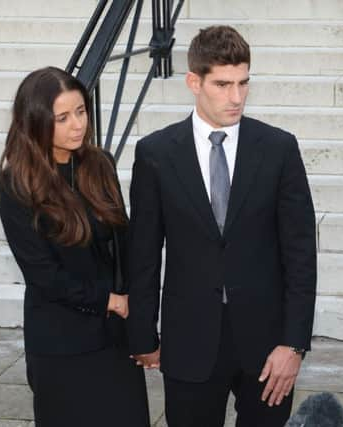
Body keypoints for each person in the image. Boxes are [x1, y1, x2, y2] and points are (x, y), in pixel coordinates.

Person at [126, 25, 317, 427]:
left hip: (268, 347)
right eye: (223, 84)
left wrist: (294, 344)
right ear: (193, 82)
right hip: (189, 340)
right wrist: (143, 333)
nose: (236, 97)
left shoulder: (279, 149)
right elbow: (143, 252)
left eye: (244, 83)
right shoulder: (156, 154)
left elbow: (301, 254)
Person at [0, 67, 150, 427]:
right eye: (62, 117)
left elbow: (123, 242)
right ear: (35, 121)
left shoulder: (100, 165)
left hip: (113, 339)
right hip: (59, 342)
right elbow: (43, 274)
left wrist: (137, 313)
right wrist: (108, 300)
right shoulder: (16, 184)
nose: (77, 125)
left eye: (80, 111)